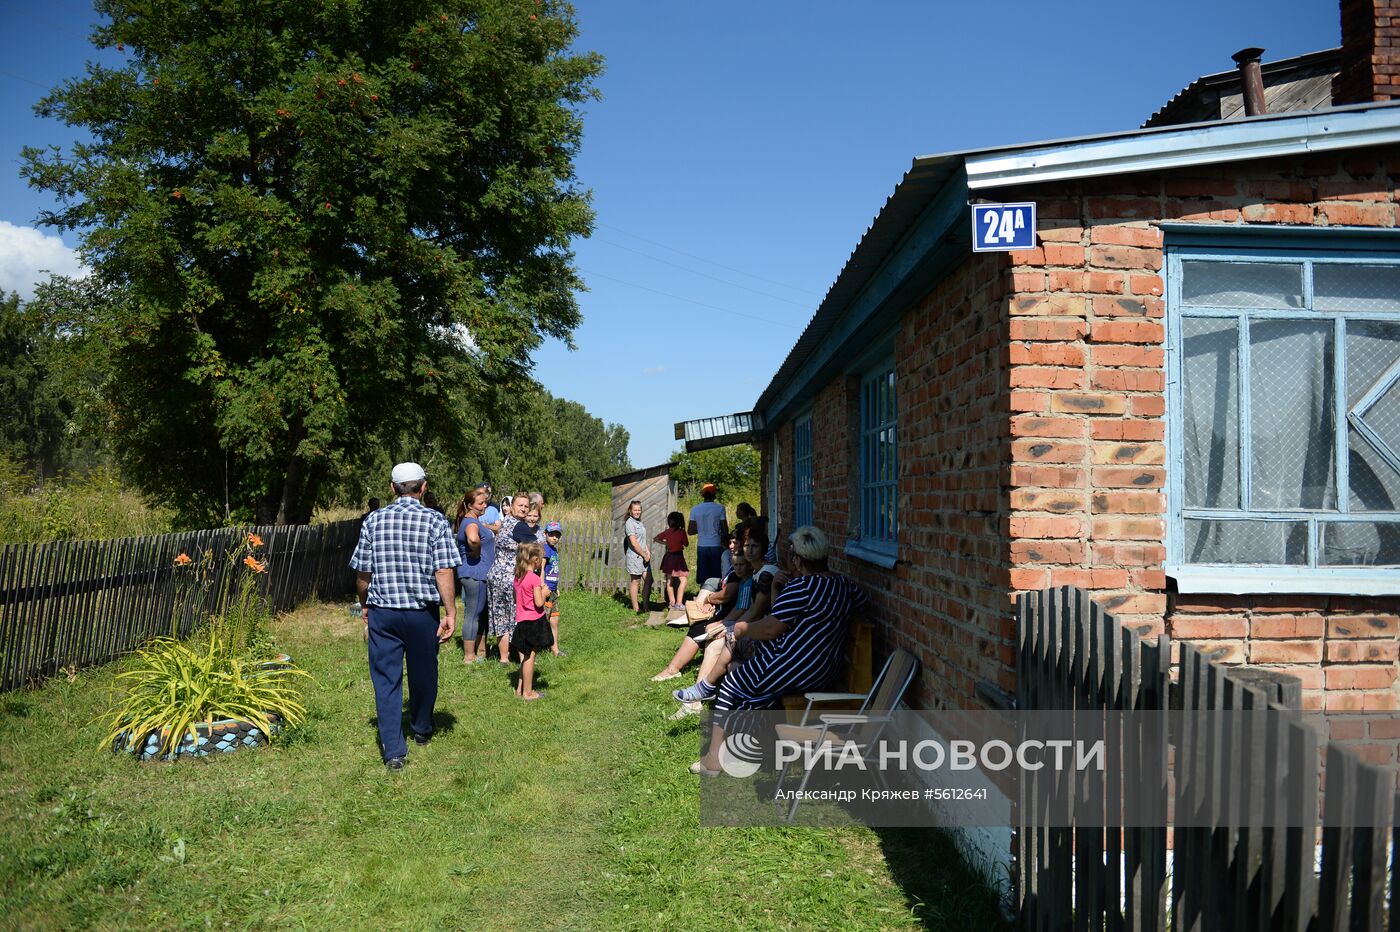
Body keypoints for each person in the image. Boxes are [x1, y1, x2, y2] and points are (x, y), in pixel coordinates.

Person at [678, 527, 869, 776]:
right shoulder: (844, 585)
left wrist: (741, 628)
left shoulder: (802, 586)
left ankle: (714, 758)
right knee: (744, 675)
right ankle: (752, 744)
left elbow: (770, 629)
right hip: (825, 667)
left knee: (731, 684)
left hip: (796, 666)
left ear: (798, 560)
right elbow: (861, 605)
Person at [349, 462, 459, 771]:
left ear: (392, 488)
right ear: (423, 488)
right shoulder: (435, 521)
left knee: (386, 679)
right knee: (424, 673)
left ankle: (394, 750)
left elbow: (363, 573)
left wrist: (364, 603)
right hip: (422, 613)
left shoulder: (373, 521)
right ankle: (422, 727)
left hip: (384, 612)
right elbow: (444, 570)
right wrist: (450, 611)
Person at [487, 493, 531, 664]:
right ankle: (523, 658)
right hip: (511, 579)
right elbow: (535, 549)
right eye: (520, 505)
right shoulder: (520, 527)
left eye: (526, 506)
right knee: (517, 617)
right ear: (512, 507)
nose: (523, 508)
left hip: (495, 576)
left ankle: (504, 658)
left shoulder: (505, 522)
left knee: (500, 617)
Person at [453, 487, 494, 664]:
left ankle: (481, 651)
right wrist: (476, 552)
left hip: (479, 574)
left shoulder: (473, 520)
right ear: (470, 505)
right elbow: (473, 539)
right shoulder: (471, 522)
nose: (484, 505)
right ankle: (469, 656)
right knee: (473, 614)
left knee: (480, 612)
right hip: (474, 573)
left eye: (485, 502)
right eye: (480, 503)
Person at [510, 542, 554, 700]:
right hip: (533, 622)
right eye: (540, 559)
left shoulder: (518, 576)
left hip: (521, 620)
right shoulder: (534, 579)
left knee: (524, 656)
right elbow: (539, 603)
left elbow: (516, 599)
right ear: (535, 559)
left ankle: (520, 689)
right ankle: (528, 693)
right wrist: (544, 592)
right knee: (530, 657)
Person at [689, 484, 729, 587]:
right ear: (714, 495)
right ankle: (715, 595)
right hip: (716, 544)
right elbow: (725, 529)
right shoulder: (720, 508)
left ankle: (703, 595)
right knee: (716, 573)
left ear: (703, 495)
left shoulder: (695, 509)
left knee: (703, 573)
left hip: (702, 545)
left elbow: (690, 531)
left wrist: (701, 529)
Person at [654, 511, 689, 611]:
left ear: (671, 521)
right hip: (678, 558)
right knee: (683, 580)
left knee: (669, 581)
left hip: (669, 557)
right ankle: (679, 603)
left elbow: (656, 538)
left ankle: (672, 603)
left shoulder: (667, 532)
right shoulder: (681, 532)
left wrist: (666, 543)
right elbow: (686, 544)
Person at [624, 500, 652, 613]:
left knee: (649, 580)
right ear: (630, 511)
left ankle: (645, 605)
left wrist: (648, 552)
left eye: (639, 510)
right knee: (636, 581)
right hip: (635, 557)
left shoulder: (639, 523)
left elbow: (642, 541)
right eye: (635, 510)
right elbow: (634, 543)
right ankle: (636, 608)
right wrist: (643, 554)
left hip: (644, 556)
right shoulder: (629, 523)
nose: (637, 512)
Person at [542, 521, 565, 657]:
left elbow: (553, 570)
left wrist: (556, 588)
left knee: (554, 619)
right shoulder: (545, 549)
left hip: (553, 591)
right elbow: (542, 569)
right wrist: (542, 585)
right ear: (545, 534)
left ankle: (555, 649)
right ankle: (535, 647)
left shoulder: (554, 550)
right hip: (545, 591)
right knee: (542, 620)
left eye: (557, 535)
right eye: (551, 534)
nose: (554, 538)